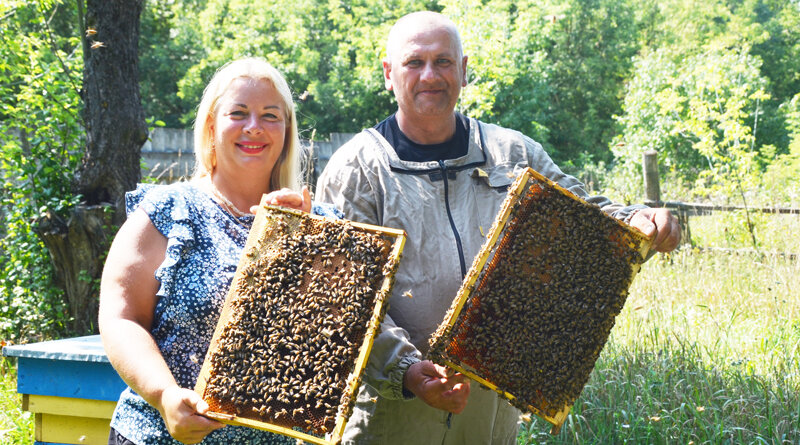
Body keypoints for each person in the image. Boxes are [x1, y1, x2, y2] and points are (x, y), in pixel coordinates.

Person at [315, 11, 681, 445]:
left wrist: (638, 220)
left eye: (444, 61)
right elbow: (341, 298)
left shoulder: (512, 151)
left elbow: (586, 211)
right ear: (389, 73)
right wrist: (407, 370)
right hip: (392, 417)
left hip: (491, 417)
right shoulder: (356, 170)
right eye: (415, 62)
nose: (430, 75)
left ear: (464, 70)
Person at [99, 57, 337, 445]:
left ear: (287, 129)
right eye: (238, 113)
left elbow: (336, 333)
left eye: (270, 115)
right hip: (162, 436)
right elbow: (121, 318)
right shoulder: (167, 210)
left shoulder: (323, 221)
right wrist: (164, 396)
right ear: (211, 125)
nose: (254, 127)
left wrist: (304, 240)